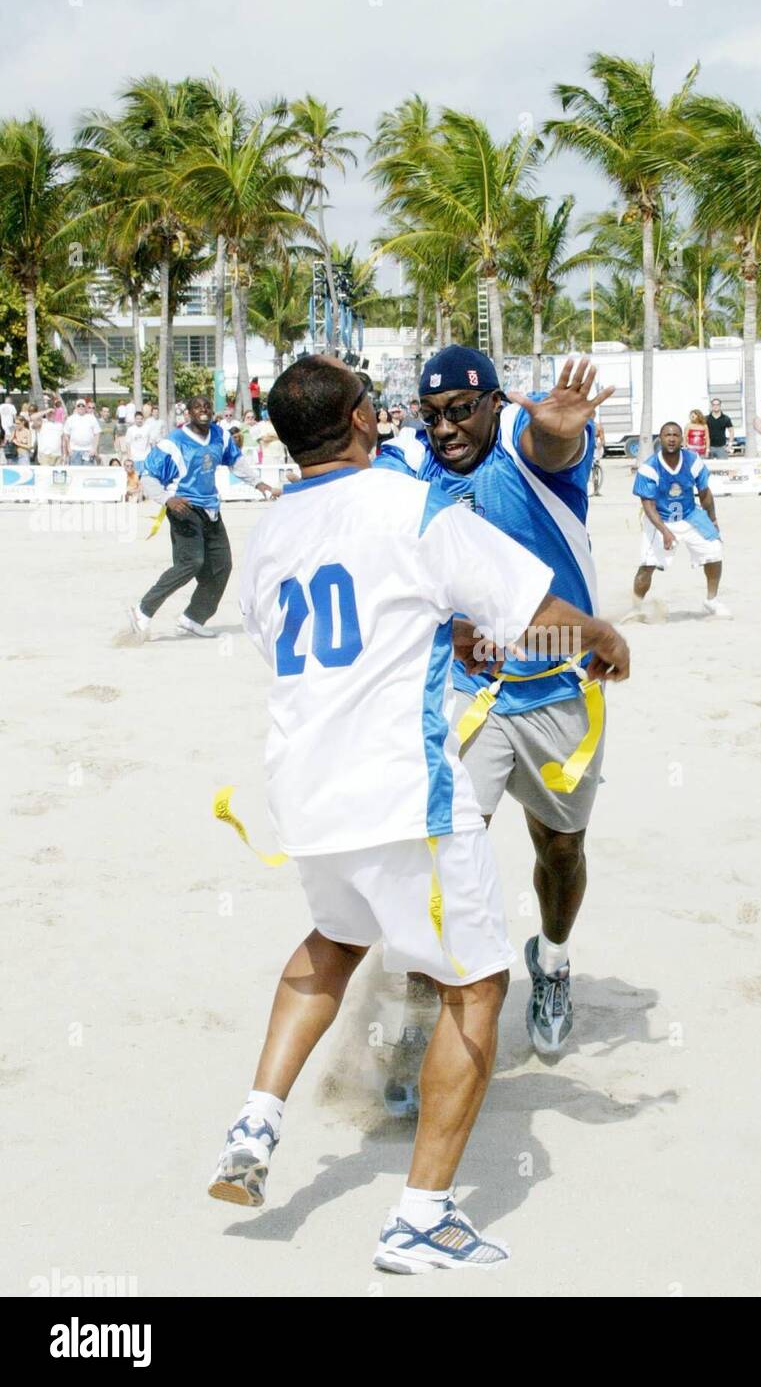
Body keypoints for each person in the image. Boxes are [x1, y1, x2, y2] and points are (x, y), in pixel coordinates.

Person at [208, 354, 629, 1273]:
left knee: (330, 943)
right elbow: (533, 615)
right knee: (477, 987)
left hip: (305, 792)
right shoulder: (412, 506)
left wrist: (441, 632)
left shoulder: (273, 528)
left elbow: (298, 636)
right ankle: (422, 1216)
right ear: (363, 421)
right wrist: (600, 637)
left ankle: (256, 1119)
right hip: (406, 791)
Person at [375, 346, 614, 1060]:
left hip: (557, 690)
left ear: (494, 404)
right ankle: (418, 1025)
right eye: (431, 414)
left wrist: (561, 431)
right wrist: (449, 626)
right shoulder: (408, 468)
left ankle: (553, 960)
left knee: (561, 848)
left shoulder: (521, 440)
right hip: (464, 694)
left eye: (459, 410)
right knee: (440, 858)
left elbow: (551, 442)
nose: (445, 427)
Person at [127, 394, 278, 641]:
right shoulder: (173, 443)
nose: (203, 409)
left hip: (211, 509)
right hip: (183, 507)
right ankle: (142, 611)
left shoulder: (221, 436)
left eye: (207, 405)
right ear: (188, 412)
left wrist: (259, 483)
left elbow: (237, 462)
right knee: (191, 562)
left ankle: (193, 618)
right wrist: (167, 500)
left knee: (222, 565)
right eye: (197, 406)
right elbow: (148, 477)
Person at [630, 421, 729, 618]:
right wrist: (665, 532)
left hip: (690, 514)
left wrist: (713, 519)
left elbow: (704, 492)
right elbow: (647, 505)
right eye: (668, 435)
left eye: (676, 435)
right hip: (660, 519)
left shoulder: (693, 461)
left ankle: (711, 600)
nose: (672, 438)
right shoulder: (649, 467)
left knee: (714, 551)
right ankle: (636, 609)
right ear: (661, 439)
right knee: (648, 564)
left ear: (682, 439)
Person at [62, 397, 100, 465]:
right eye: (79, 405)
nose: (81, 407)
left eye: (83, 405)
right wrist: (68, 448)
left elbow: (97, 434)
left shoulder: (91, 418)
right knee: (75, 474)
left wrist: (94, 448)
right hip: (74, 451)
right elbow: (66, 434)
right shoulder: (70, 419)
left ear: (85, 407)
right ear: (76, 407)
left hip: (88, 451)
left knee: (88, 474)